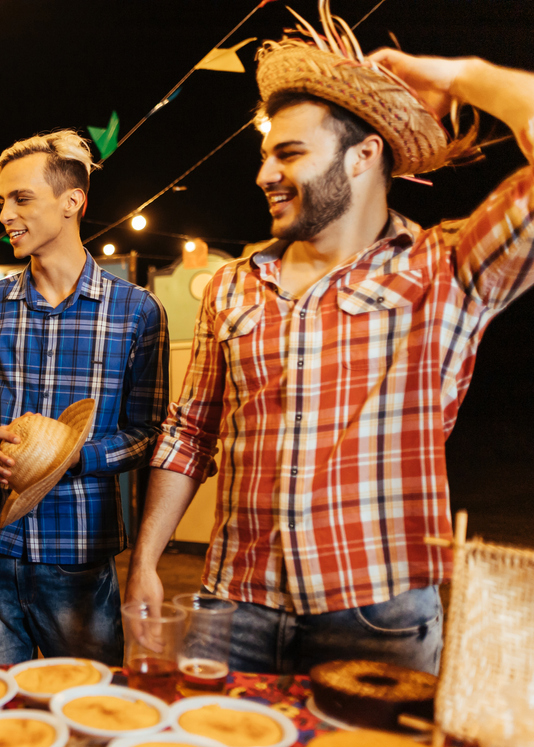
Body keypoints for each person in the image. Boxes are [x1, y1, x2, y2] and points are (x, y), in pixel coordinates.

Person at [125, 12, 534, 675]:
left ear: (363, 155)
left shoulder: (443, 269)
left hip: (378, 616)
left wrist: (465, 76)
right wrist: (145, 564)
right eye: (264, 155)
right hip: (232, 604)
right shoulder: (233, 285)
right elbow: (190, 432)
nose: (263, 175)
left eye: (289, 154)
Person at [0, 130, 170, 666]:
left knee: (88, 711)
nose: (5, 214)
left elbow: (151, 436)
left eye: (21, 198)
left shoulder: (136, 311)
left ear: (73, 201)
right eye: (2, 200)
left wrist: (74, 455)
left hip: (78, 555)